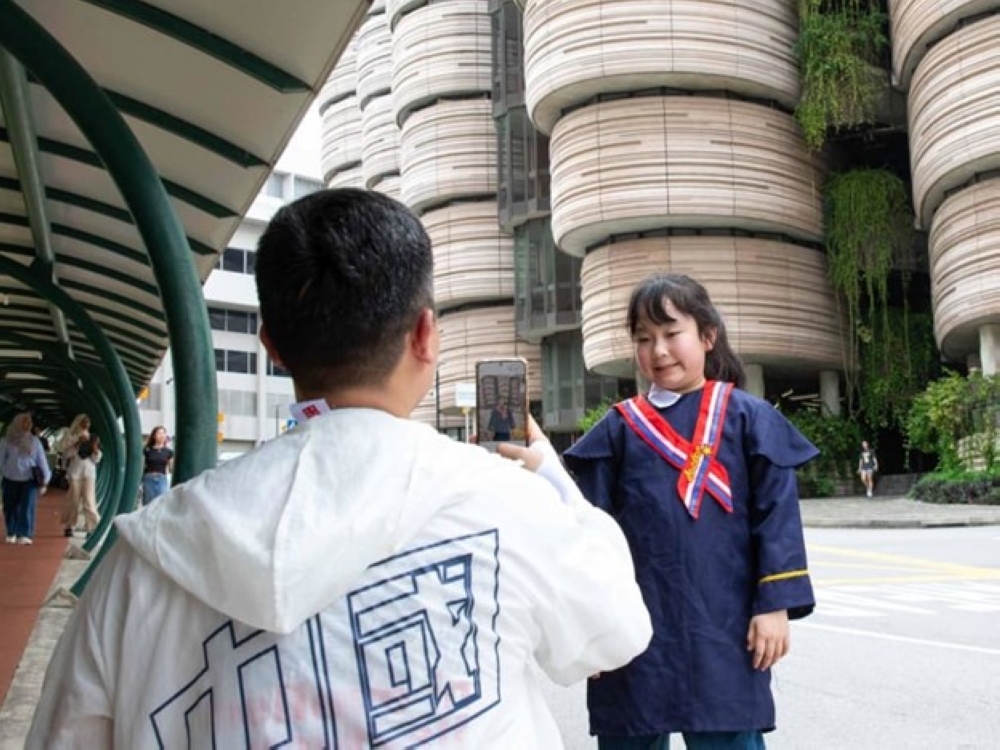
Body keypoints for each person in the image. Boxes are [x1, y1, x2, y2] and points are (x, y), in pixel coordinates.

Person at [28, 188, 653, 748]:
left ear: (270, 344)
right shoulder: (501, 502)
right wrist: (548, 474)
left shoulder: (141, 562)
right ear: (426, 334)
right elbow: (618, 627)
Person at [563, 274, 818, 749]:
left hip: (724, 628)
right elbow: (586, 532)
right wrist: (587, 626)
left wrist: (775, 606)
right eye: (643, 338)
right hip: (634, 630)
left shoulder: (748, 418)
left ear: (707, 335)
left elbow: (776, 516)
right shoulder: (619, 430)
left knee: (728, 734)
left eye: (671, 333)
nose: (658, 350)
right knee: (631, 730)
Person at [0, 412, 51, 545]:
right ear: (17, 422)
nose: (28, 425)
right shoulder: (6, 440)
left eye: (29, 422)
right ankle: (11, 531)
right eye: (25, 422)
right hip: (10, 478)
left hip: (29, 479)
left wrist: (45, 480)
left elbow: (41, 461)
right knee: (10, 506)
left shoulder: (35, 441)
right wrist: (4, 470)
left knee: (27, 506)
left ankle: (25, 533)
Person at [58, 414, 101, 538]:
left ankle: (91, 526)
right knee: (73, 499)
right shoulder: (71, 436)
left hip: (89, 471)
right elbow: (65, 453)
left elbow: (96, 458)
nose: (86, 424)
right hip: (75, 471)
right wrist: (77, 442)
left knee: (89, 499)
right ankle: (69, 525)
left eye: (87, 422)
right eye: (83, 422)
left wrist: (95, 450)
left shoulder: (93, 437)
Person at [140, 425, 173, 505]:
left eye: (163, 433)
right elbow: (142, 466)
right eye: (159, 433)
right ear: (154, 436)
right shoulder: (147, 450)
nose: (162, 435)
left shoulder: (168, 452)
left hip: (162, 478)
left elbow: (171, 468)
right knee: (148, 503)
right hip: (149, 478)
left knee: (162, 503)